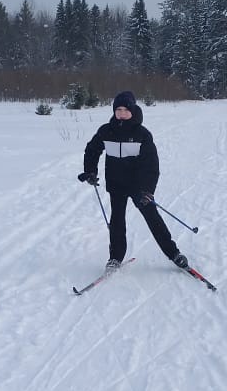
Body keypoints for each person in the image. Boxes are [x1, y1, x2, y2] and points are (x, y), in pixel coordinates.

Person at [78, 90, 189, 271]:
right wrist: (90, 171)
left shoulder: (142, 134)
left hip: (138, 187)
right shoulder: (106, 131)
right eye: (118, 109)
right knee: (117, 222)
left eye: (125, 109)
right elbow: (92, 150)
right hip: (116, 184)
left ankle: (174, 253)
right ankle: (115, 258)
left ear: (133, 110)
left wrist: (148, 189)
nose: (122, 113)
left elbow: (151, 165)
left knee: (153, 218)